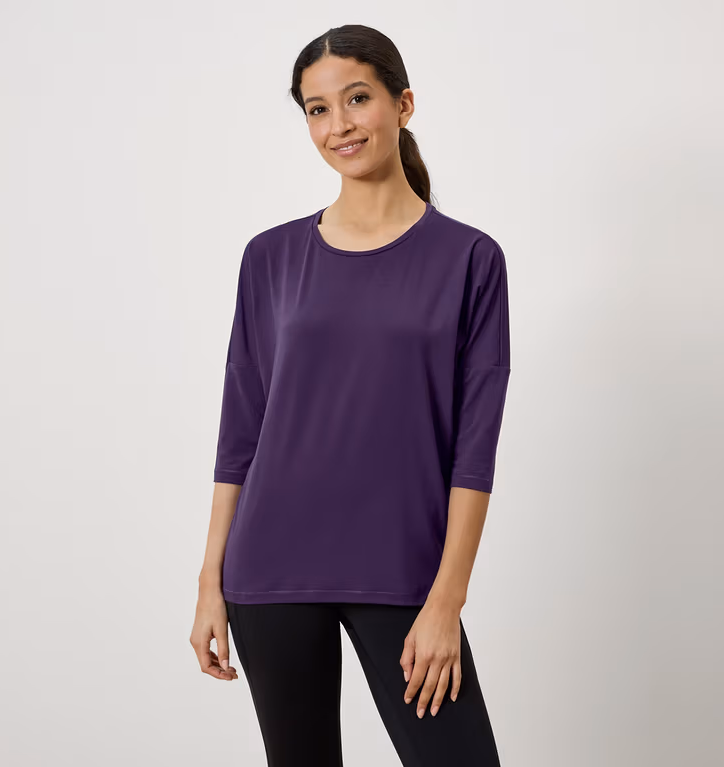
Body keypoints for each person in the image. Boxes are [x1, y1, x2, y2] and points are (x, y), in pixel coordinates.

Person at [190, 24, 510, 767]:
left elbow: (475, 452)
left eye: (357, 98)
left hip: (404, 569)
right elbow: (241, 430)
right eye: (318, 108)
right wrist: (210, 580)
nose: (340, 124)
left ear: (403, 104)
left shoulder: (469, 259)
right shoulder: (270, 257)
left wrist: (447, 601)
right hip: (271, 568)